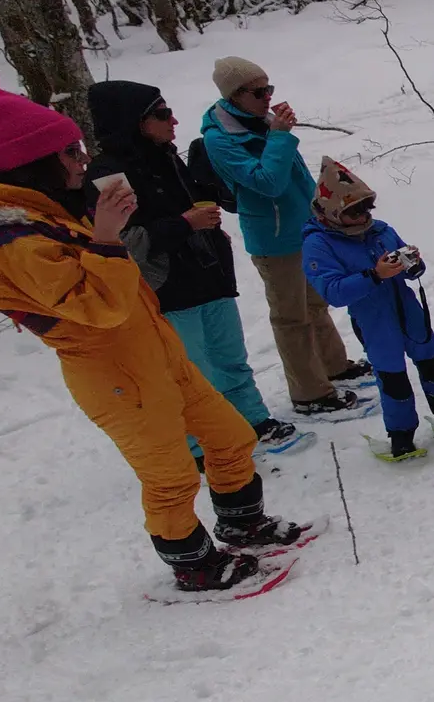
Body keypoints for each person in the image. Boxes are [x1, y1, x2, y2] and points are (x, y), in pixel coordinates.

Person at [0, 86, 306, 591]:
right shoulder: (12, 241)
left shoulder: (55, 209)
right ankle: (195, 566)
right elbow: (101, 305)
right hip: (117, 379)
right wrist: (108, 235)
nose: (83, 160)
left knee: (231, 437)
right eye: (70, 152)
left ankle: (243, 524)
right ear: (34, 161)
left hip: (158, 355)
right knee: (172, 478)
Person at [85, 80, 303, 464]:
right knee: (189, 374)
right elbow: (126, 241)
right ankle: (201, 446)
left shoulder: (166, 155)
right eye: (162, 113)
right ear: (134, 122)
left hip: (209, 276)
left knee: (230, 358)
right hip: (167, 289)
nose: (173, 121)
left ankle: (253, 420)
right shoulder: (108, 174)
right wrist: (186, 223)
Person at [199, 56, 367, 414]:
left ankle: (334, 366)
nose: (267, 96)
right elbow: (267, 183)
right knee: (291, 316)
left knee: (315, 304)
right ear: (234, 95)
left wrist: (320, 216)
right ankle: (309, 394)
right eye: (258, 91)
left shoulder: (261, 123)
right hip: (274, 241)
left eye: (269, 88)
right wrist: (278, 136)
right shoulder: (220, 139)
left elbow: (296, 180)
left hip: (305, 231)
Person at [302, 159, 434, 460]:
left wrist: (413, 264)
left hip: (408, 311)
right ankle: (401, 434)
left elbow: (408, 268)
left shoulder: (380, 230)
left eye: (366, 208)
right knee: (393, 379)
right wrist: (374, 275)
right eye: (354, 211)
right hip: (374, 320)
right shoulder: (318, 244)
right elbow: (332, 291)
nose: (363, 216)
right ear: (333, 213)